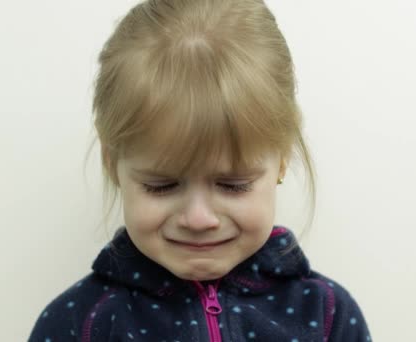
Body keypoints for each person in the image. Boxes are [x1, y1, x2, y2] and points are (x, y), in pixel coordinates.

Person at [28, 0, 372, 341]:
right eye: (161, 185)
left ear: (281, 161)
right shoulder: (79, 322)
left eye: (233, 184)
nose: (198, 219)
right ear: (112, 163)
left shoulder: (327, 315)